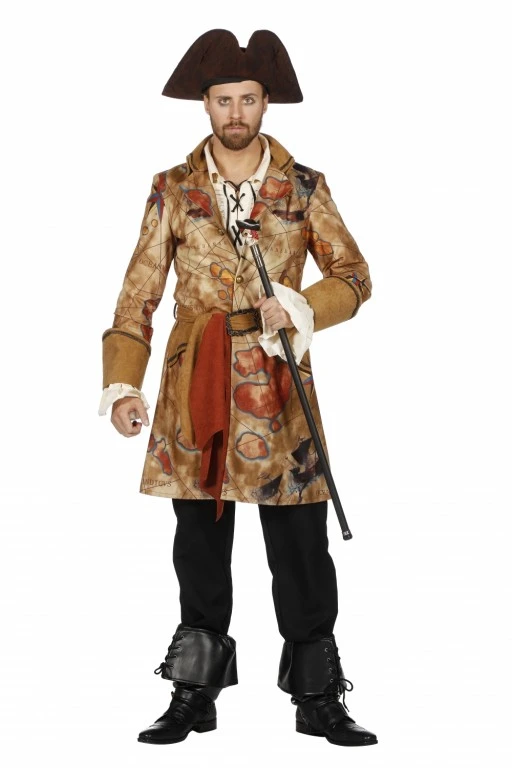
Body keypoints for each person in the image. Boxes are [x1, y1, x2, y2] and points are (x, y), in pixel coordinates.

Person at [99, 29, 377, 747]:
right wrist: (123, 383)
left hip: (279, 386)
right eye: (223, 100)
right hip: (194, 384)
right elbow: (138, 294)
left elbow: (354, 276)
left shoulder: (305, 186)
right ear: (205, 104)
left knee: (301, 547)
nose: (235, 113)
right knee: (198, 544)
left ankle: (318, 698)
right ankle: (195, 692)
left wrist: (302, 306)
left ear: (264, 103)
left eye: (247, 99)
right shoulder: (172, 188)